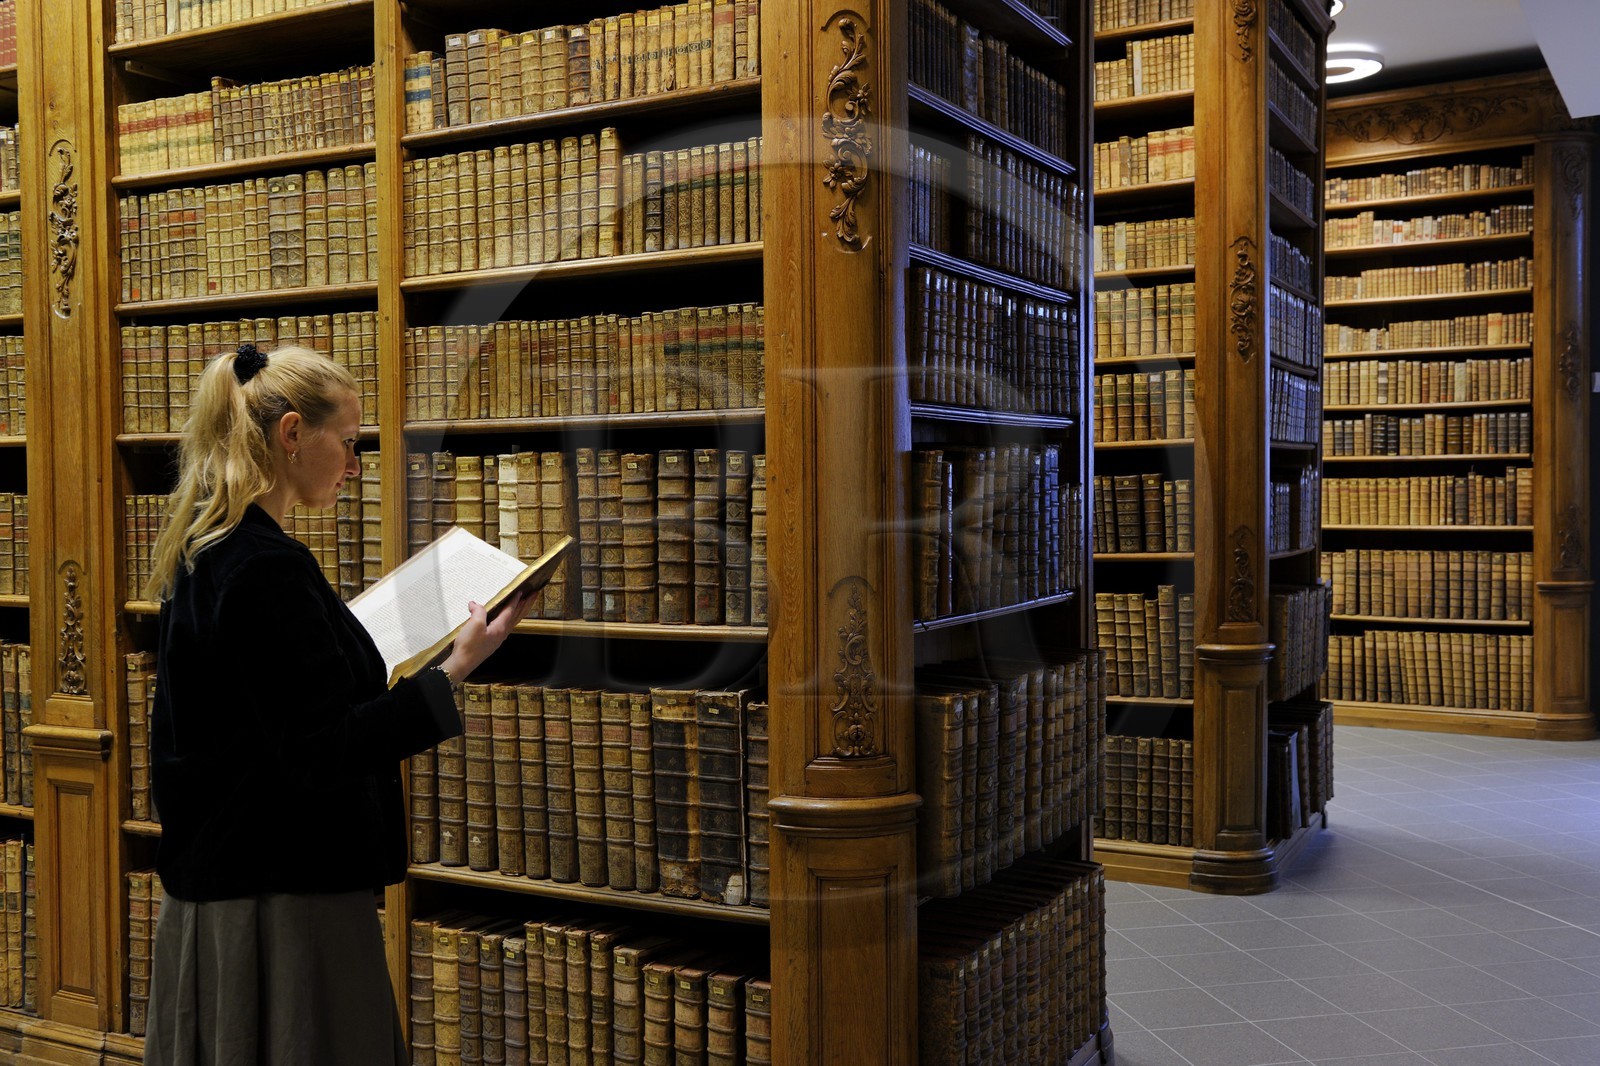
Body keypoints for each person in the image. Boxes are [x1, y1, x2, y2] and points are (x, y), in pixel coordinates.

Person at [141, 343, 531, 1065]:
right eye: (348, 443)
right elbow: (323, 750)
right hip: (281, 905)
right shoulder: (265, 567)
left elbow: (257, 719)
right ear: (292, 435)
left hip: (227, 888)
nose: (355, 466)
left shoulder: (208, 548)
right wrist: (457, 666)